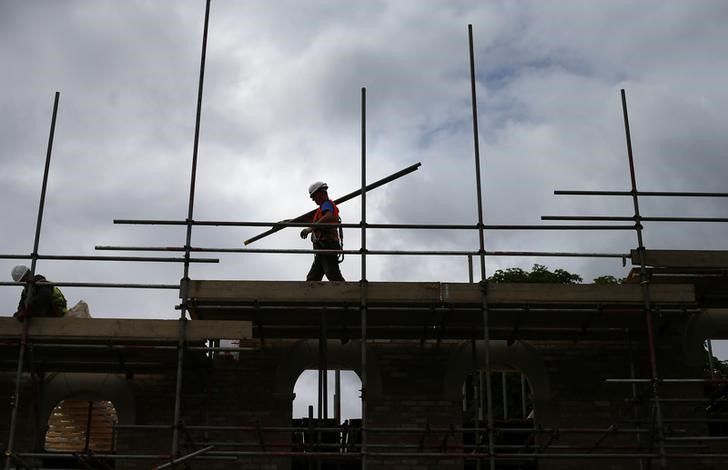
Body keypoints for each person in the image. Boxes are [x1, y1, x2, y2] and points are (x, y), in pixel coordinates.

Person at [300, 181, 345, 281]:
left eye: (314, 196)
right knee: (312, 278)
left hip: (328, 246)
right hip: (321, 248)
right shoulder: (321, 210)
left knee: (333, 274)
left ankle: (347, 294)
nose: (313, 199)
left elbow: (328, 217)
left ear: (321, 193)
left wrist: (310, 229)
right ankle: (310, 295)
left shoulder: (327, 205)